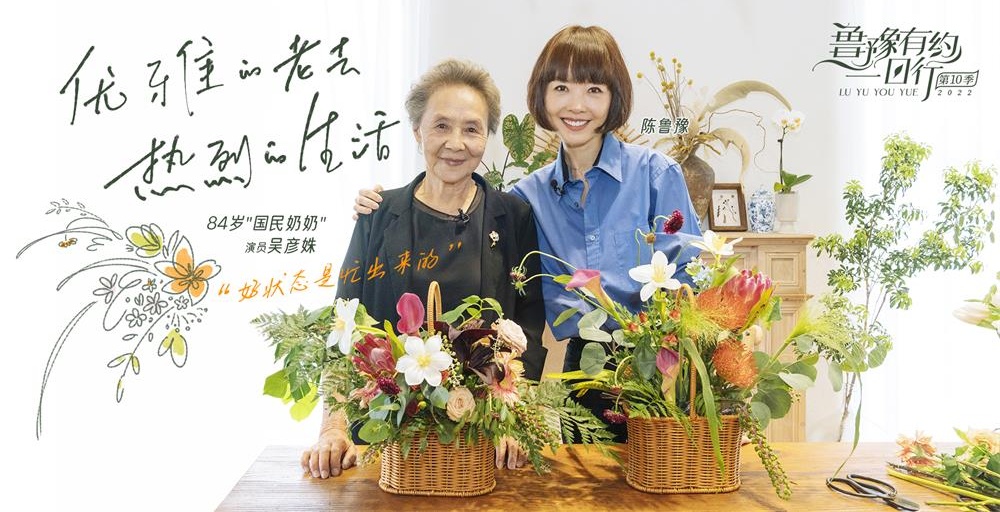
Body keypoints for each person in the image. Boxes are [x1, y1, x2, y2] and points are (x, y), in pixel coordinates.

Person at [351, 26, 702, 442]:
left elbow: (694, 286)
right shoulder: (526, 200)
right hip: (584, 374)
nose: (576, 105)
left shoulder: (655, 176)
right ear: (543, 96)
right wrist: (379, 208)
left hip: (665, 369)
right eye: (561, 88)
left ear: (615, 97)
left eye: (594, 90)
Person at [302, 58, 547, 479]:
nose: (456, 143)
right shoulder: (379, 215)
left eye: (471, 129)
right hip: (385, 438)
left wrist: (515, 417)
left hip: (481, 439)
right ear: (418, 131)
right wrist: (334, 427)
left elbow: (527, 329)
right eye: (441, 126)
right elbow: (345, 324)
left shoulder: (514, 217)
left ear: (486, 137)